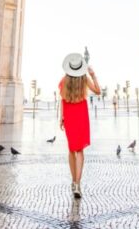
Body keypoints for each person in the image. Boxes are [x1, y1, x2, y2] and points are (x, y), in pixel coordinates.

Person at [59, 52, 101, 198]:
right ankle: (77, 184)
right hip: (81, 115)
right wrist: (93, 75)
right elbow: (98, 91)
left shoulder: (64, 81)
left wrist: (61, 118)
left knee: (71, 149)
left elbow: (62, 100)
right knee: (80, 151)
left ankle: (73, 181)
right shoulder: (84, 79)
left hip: (69, 116)